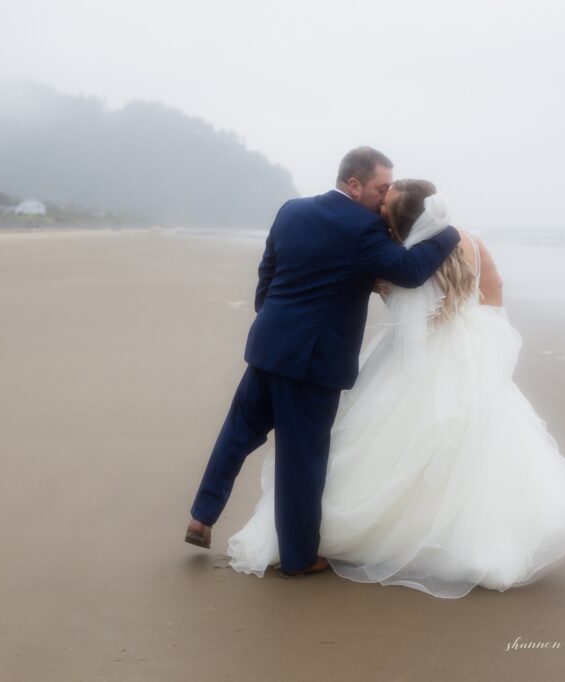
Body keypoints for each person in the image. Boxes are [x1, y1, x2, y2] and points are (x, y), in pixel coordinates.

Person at [227, 179, 565, 596]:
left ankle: (343, 533)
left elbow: (369, 299)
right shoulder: (471, 244)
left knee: (379, 441)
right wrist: (480, 338)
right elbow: (494, 293)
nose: (379, 209)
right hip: (469, 351)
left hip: (409, 357)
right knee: (481, 442)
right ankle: (473, 542)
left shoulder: (393, 262)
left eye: (385, 207)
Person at [185, 149, 462, 577]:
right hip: (312, 362)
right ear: (353, 184)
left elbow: (267, 273)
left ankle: (201, 517)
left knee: (237, 433)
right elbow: (409, 271)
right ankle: (299, 558)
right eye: (379, 188)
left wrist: (274, 319)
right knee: (302, 460)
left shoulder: (291, 211)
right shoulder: (364, 228)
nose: (385, 197)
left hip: (268, 345)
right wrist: (448, 234)